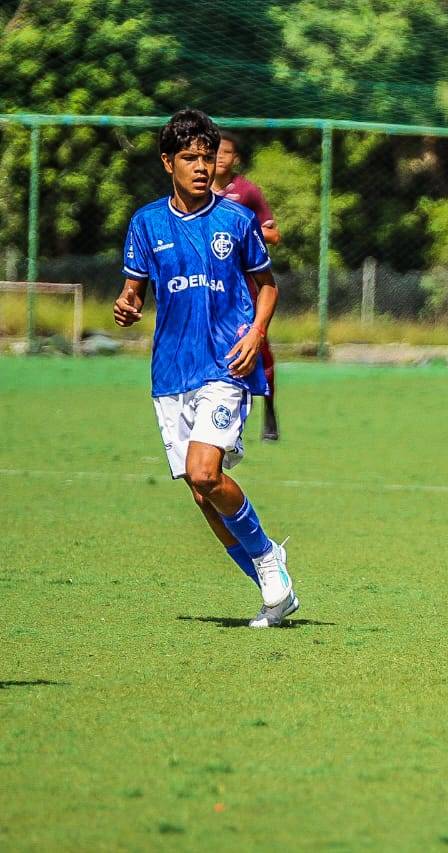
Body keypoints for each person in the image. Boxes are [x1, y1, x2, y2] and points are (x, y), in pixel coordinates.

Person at [114, 109, 298, 628]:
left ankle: (267, 559)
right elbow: (132, 293)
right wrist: (126, 307)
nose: (201, 166)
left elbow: (268, 287)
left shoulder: (236, 221)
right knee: (202, 493)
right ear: (167, 162)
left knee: (204, 472)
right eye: (189, 157)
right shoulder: (146, 223)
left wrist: (256, 334)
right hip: (171, 373)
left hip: (225, 364)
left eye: (207, 156)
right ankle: (274, 592)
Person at [213, 131, 283, 441]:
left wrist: (241, 230)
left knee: (256, 344)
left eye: (226, 152)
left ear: (235, 158)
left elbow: (273, 234)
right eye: (214, 151)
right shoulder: (196, 191)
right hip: (209, 284)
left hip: (244, 285)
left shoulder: (246, 192)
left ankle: (268, 408)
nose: (219, 158)